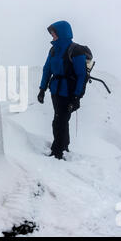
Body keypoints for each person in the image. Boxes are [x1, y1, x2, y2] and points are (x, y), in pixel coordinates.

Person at [37, 21, 87, 160]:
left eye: (54, 33)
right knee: (61, 120)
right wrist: (42, 89)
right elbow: (47, 69)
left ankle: (57, 151)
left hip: (69, 92)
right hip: (56, 91)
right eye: (52, 33)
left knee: (59, 121)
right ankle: (64, 146)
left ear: (61, 33)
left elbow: (81, 75)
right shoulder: (53, 50)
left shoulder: (76, 50)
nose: (52, 36)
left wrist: (77, 97)